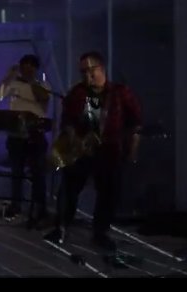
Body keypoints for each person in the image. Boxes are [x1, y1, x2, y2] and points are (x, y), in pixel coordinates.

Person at [44, 51, 142, 251]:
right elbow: (67, 120)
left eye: (91, 70)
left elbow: (135, 123)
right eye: (83, 72)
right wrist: (73, 139)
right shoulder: (78, 93)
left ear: (102, 69)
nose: (87, 76)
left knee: (108, 193)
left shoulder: (120, 92)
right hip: (81, 150)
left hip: (109, 151)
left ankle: (100, 233)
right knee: (69, 189)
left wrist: (132, 149)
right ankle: (61, 228)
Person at [0, 54, 51, 223]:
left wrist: (30, 81)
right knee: (16, 172)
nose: (27, 69)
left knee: (37, 172)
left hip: (35, 133)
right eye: (24, 65)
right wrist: (8, 77)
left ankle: (40, 207)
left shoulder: (43, 85)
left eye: (31, 66)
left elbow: (44, 99)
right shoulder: (13, 84)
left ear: (36, 69)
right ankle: (16, 204)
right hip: (16, 134)